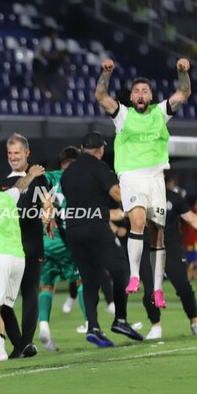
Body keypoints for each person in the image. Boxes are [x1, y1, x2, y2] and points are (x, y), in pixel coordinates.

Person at [94, 57, 192, 306]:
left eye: (144, 91)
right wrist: (106, 74)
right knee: (137, 220)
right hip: (131, 176)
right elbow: (100, 96)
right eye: (136, 90)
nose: (140, 93)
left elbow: (184, 92)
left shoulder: (160, 112)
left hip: (156, 178)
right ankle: (135, 275)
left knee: (156, 234)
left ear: (150, 97)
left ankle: (158, 289)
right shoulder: (122, 114)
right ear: (132, 96)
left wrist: (182, 71)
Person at [61, 131, 143, 347]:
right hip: (95, 227)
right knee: (121, 269)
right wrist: (134, 204)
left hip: (73, 229)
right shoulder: (99, 167)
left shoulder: (68, 173)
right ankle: (121, 320)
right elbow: (116, 193)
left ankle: (94, 327)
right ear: (101, 150)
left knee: (89, 280)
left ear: (81, 147)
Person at [0, 166, 45, 362]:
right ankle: (6, 348)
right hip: (18, 259)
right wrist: (31, 174)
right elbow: (19, 186)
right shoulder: (7, 198)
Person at [143, 177, 197, 340]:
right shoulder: (142, 200)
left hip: (172, 248)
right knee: (149, 291)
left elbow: (192, 218)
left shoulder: (174, 198)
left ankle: (194, 322)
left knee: (183, 286)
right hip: (149, 248)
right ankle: (156, 326)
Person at [0, 133, 51, 358]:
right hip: (8, 245)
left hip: (30, 243)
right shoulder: (4, 181)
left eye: (17, 153)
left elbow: (46, 202)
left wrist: (48, 215)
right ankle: (19, 343)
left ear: (27, 153)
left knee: (29, 293)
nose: (13, 157)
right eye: (10, 153)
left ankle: (26, 343)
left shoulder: (40, 179)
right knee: (2, 298)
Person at [38, 146, 87, 351]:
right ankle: (91, 324)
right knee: (81, 279)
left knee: (46, 285)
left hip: (45, 241)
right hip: (66, 240)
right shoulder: (79, 179)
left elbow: (39, 189)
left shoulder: (49, 177)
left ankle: (44, 326)